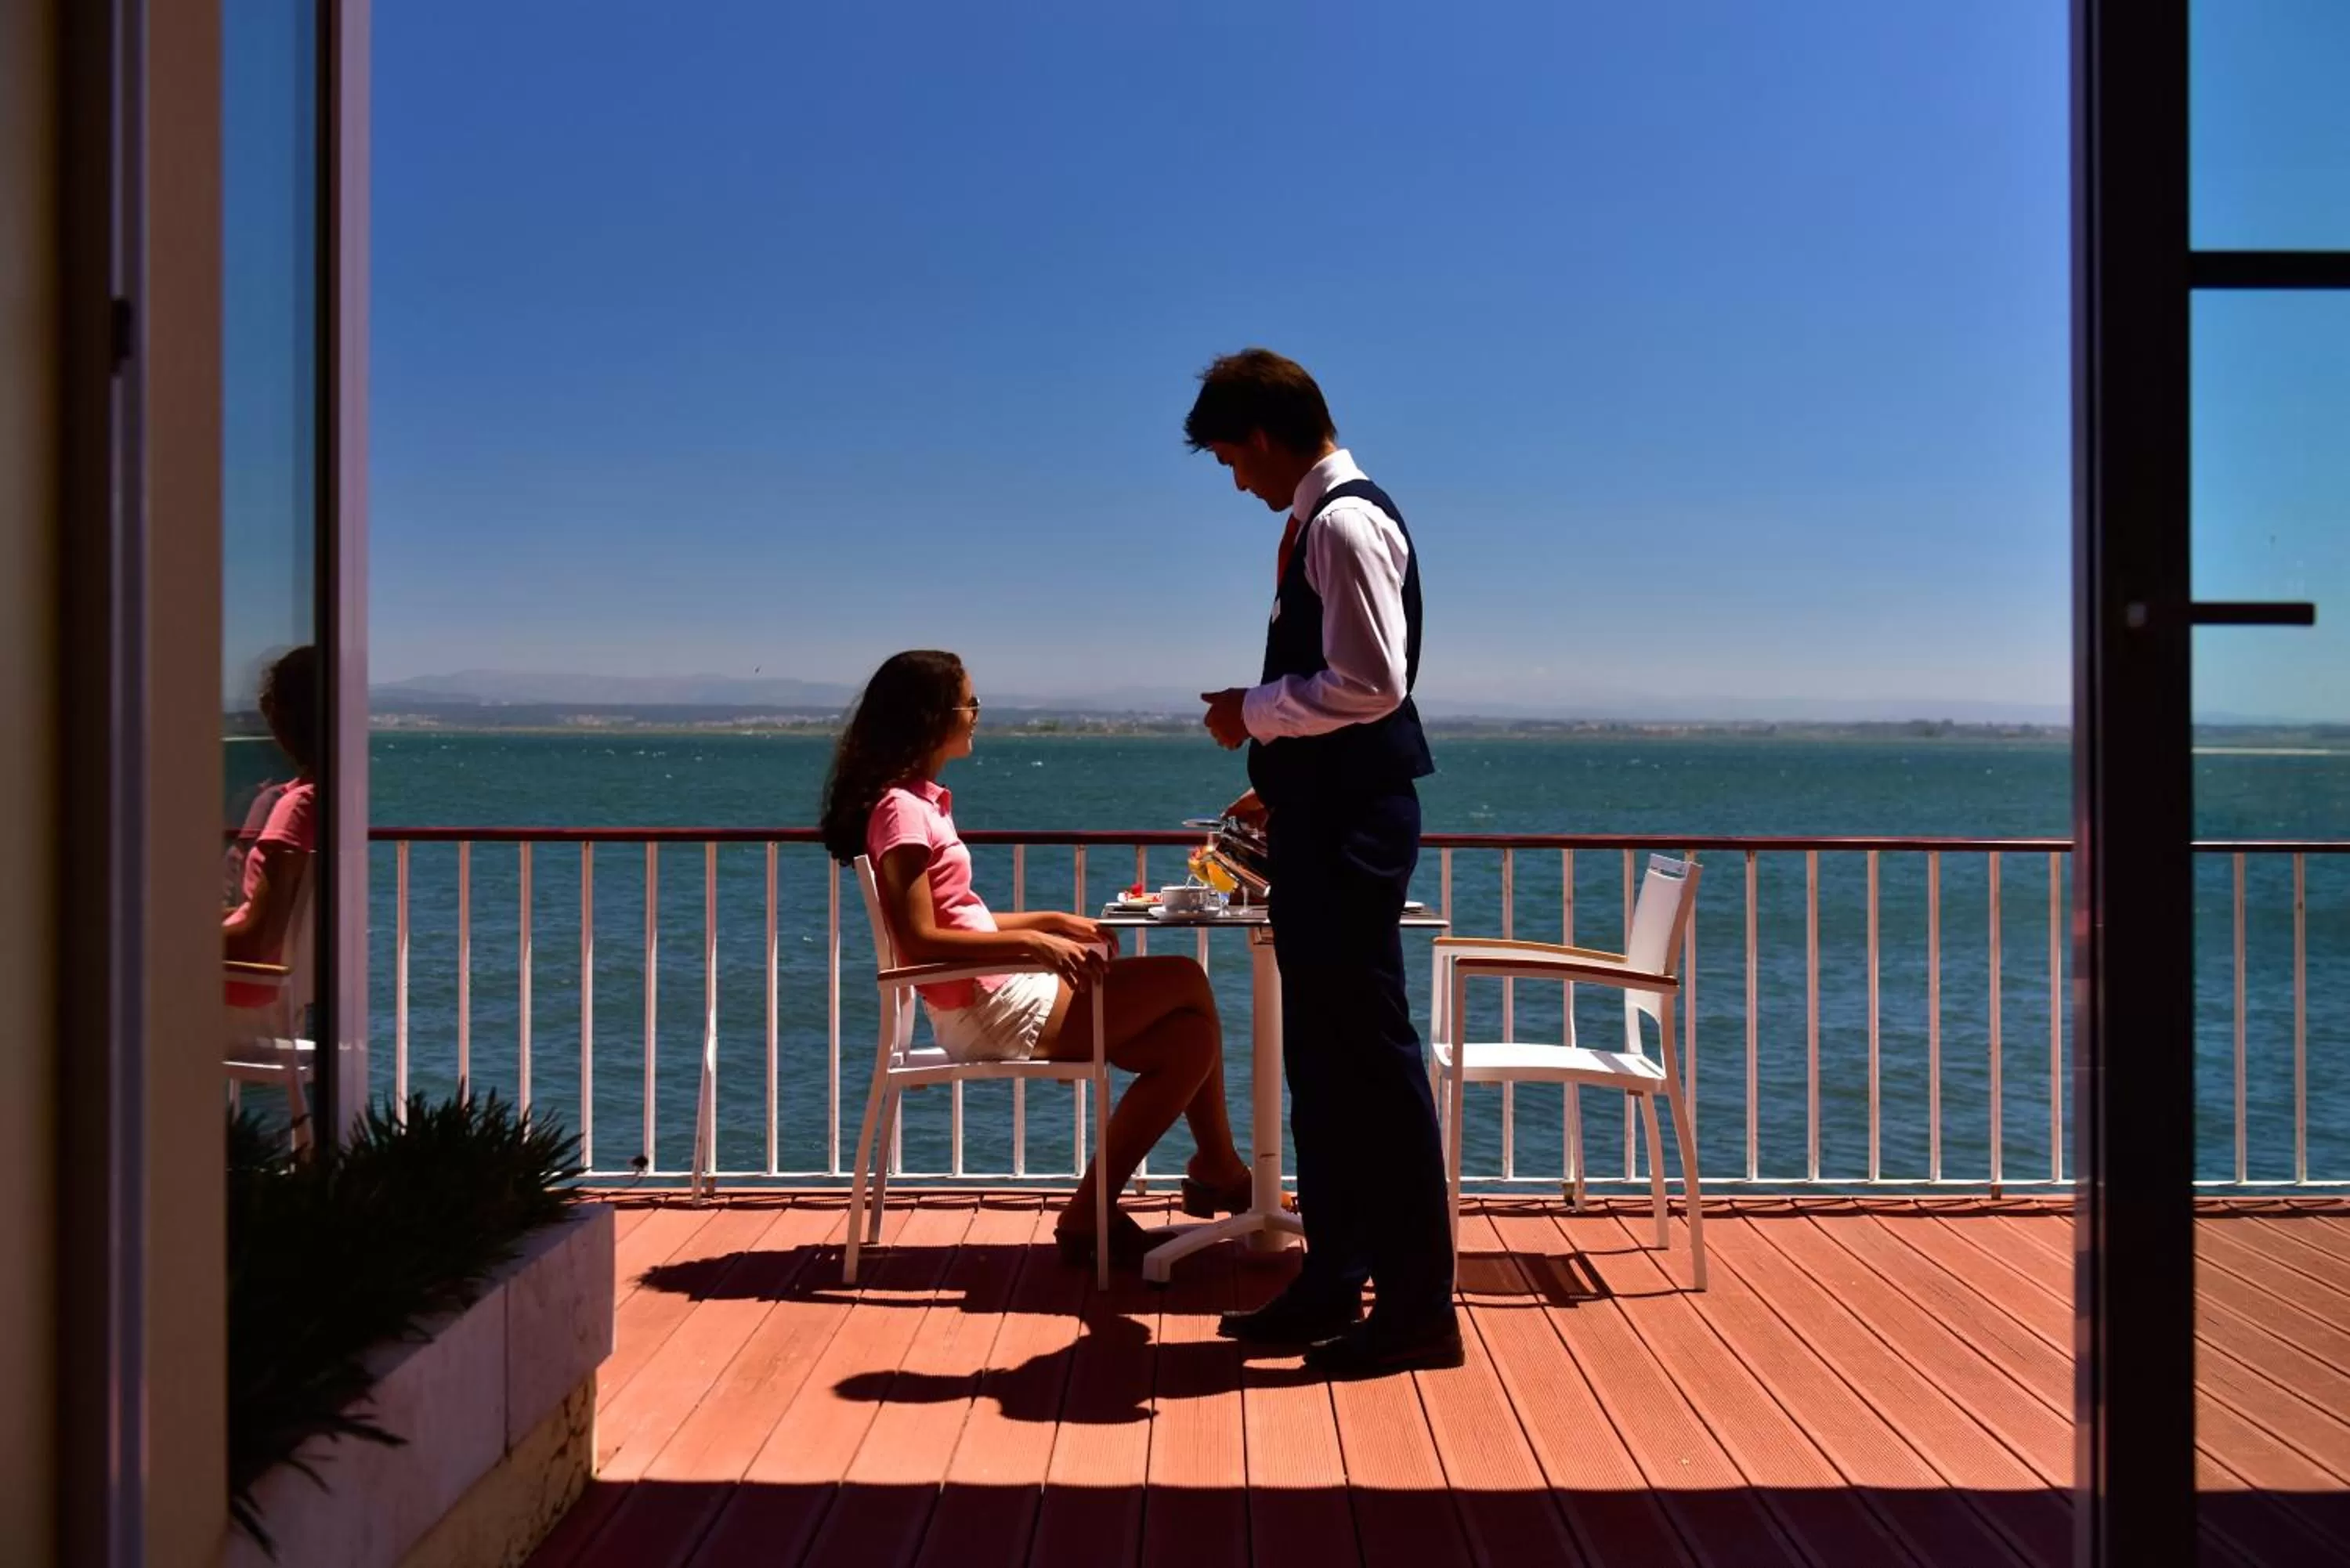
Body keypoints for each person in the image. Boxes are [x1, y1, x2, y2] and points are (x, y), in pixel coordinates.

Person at [1190, 349, 1461, 1377]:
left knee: (1370, 1069)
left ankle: (1417, 1307)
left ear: (1261, 435)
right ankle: (1334, 1274)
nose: (1234, 480)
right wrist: (1286, 773)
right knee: (1326, 1065)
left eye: (1228, 457)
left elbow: (1371, 682)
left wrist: (1250, 714)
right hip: (1326, 812)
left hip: (1350, 828)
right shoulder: (1319, 523)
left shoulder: (1343, 522)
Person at [819, 649, 1253, 1269]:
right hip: (983, 1007)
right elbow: (919, 940)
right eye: (969, 704)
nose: (976, 716)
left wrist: (1046, 921)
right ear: (932, 716)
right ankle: (1218, 1169)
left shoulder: (917, 803)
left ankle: (1100, 1210)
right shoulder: (901, 811)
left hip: (988, 993)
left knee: (1188, 1040)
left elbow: (955, 916)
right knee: (1184, 977)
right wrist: (1037, 946)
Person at [224, 646, 318, 1010]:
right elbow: (258, 913)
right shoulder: (334, 798)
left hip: (241, 986)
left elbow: (258, 940)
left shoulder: (298, 807)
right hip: (279, 989)